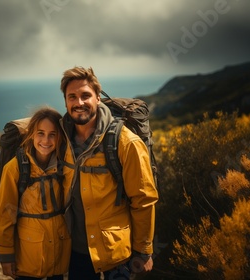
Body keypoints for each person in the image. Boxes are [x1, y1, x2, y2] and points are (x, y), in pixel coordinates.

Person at [59, 66, 159, 280]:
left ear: (98, 98)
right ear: (65, 101)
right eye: (72, 97)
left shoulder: (124, 142)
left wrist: (143, 250)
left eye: (86, 95)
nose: (79, 103)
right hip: (76, 253)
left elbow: (143, 199)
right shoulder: (60, 139)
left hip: (116, 256)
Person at [0, 107, 71, 280]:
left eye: (52, 134)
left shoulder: (65, 164)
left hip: (59, 254)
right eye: (40, 133)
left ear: (59, 137)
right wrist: (5, 255)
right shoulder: (15, 168)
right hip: (27, 256)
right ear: (31, 135)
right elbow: (6, 213)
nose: (46, 140)